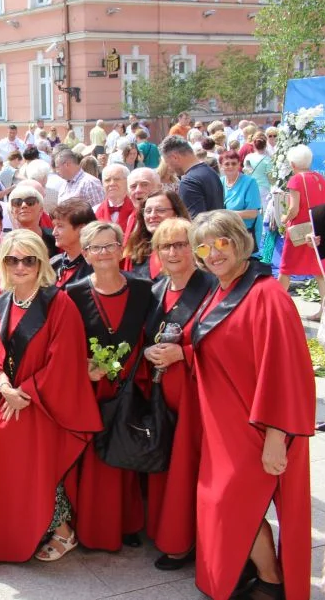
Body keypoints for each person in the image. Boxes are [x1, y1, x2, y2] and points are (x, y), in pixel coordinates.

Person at [189, 211, 315, 600]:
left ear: (239, 241)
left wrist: (277, 437)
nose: (213, 253)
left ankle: (272, 582)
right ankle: (256, 574)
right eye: (204, 246)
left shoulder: (268, 294)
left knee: (232, 505)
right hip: (224, 425)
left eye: (221, 242)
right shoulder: (222, 287)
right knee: (227, 505)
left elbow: (286, 372)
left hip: (257, 425)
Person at [0, 231, 102, 565]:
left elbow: (65, 361)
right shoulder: (3, 301)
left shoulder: (59, 303)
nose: (20, 266)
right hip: (10, 396)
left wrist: (24, 393)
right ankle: (16, 530)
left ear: (41, 262)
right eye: (12, 259)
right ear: (3, 263)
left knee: (38, 466)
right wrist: (1, 383)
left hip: (44, 402)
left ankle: (62, 531)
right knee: (7, 462)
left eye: (29, 259)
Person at [66, 221, 152, 552]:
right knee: (93, 462)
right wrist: (83, 369)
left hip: (130, 386)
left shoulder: (144, 289)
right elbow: (66, 344)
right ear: (85, 254)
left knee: (124, 457)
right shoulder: (73, 294)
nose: (103, 253)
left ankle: (126, 523)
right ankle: (90, 526)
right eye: (95, 248)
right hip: (91, 389)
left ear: (121, 249)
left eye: (109, 245)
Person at [139, 218, 213, 572]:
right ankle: (171, 534)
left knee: (191, 470)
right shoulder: (156, 290)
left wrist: (183, 353)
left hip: (199, 397)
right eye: (165, 246)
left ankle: (190, 543)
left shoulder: (212, 288)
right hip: (160, 395)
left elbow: (223, 345)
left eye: (181, 244)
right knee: (167, 470)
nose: (173, 252)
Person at [278, 144, 325, 308]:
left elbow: (293, 209)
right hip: (318, 229)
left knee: (285, 270)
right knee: (319, 272)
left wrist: (284, 218)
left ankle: (275, 306)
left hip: (299, 231)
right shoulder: (320, 178)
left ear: (293, 164)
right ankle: (324, 311)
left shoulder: (296, 179)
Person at [123, 191, 190, 281]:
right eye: (148, 211)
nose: (152, 215)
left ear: (176, 213)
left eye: (160, 210)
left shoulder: (190, 246)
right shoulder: (136, 249)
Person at [160, 135, 224, 218]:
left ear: (175, 157)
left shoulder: (189, 182)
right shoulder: (210, 171)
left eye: (167, 162)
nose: (169, 167)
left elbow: (195, 222)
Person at [219, 150, 263, 250]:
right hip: (227, 231)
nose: (230, 166)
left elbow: (253, 213)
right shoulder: (220, 181)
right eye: (227, 164)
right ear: (221, 165)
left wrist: (226, 214)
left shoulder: (250, 182)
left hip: (246, 232)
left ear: (239, 164)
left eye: (234, 163)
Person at [50, 199, 96, 288]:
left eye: (60, 226)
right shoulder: (53, 263)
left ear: (82, 229)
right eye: (54, 226)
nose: (54, 232)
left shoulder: (95, 267)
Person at [9, 184, 57, 257]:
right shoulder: (7, 242)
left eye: (30, 202)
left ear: (41, 210)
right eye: (17, 202)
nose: (24, 205)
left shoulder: (55, 237)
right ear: (12, 212)